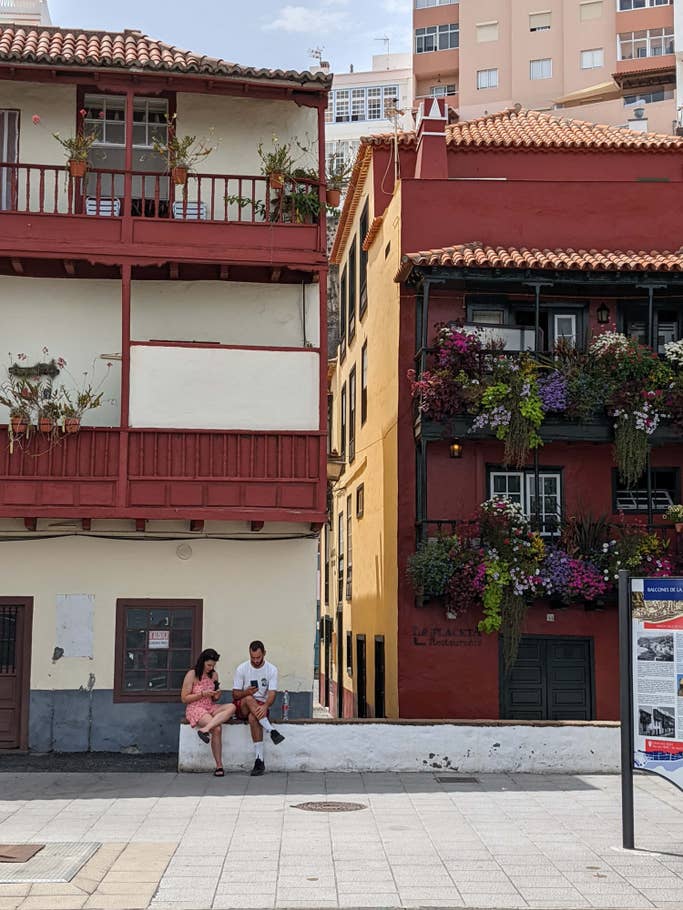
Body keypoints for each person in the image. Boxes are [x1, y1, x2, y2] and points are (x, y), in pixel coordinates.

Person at [232, 640, 285, 776]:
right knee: (250, 699)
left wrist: (266, 705)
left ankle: (259, 760)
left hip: (260, 707)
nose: (255, 660)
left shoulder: (271, 669)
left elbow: (272, 693)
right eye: (253, 657)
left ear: (264, 654)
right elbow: (235, 694)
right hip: (243, 705)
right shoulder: (242, 668)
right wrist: (247, 692)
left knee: (253, 717)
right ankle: (271, 729)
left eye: (258, 657)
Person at [181, 648, 236, 777]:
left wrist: (217, 694)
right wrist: (201, 694)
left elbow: (215, 699)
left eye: (213, 665)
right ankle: (219, 765)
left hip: (210, 706)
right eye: (209, 665)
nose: (211, 668)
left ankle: (205, 729)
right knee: (217, 728)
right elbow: (184, 698)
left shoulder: (214, 675)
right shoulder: (192, 674)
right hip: (196, 707)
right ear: (202, 662)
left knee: (232, 707)